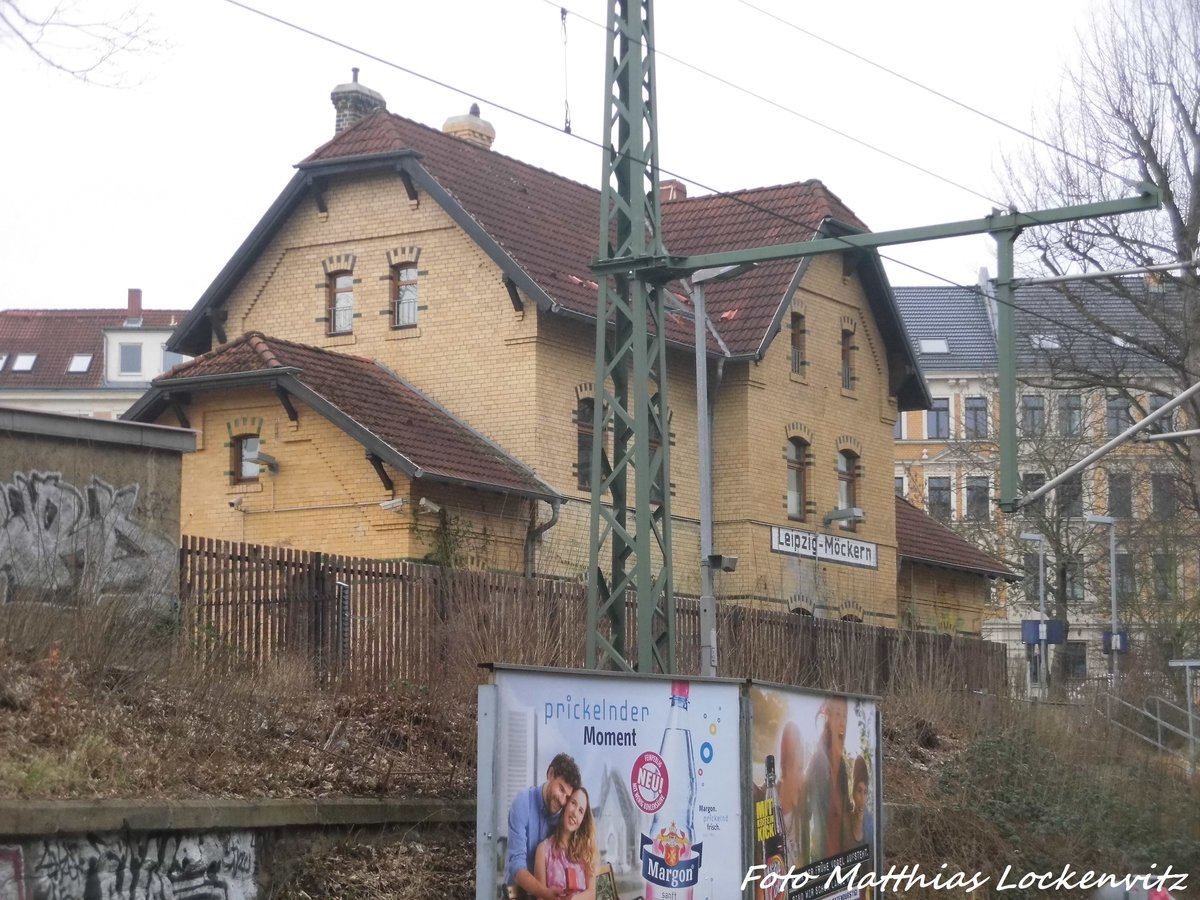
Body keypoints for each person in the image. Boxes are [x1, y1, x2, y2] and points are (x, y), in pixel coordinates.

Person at [506, 752, 583, 899]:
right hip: (518, 894)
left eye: (567, 796)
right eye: (561, 789)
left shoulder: (564, 816)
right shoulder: (522, 803)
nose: (562, 800)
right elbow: (516, 865)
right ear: (551, 774)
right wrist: (545, 893)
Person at [805, 697, 851, 861]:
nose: (842, 721)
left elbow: (845, 813)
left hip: (841, 861)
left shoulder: (843, 767)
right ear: (828, 717)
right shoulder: (818, 761)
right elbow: (807, 813)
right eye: (837, 714)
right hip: (820, 861)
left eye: (845, 716)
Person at [534, 786, 598, 900]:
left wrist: (573, 899)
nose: (574, 813)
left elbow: (592, 893)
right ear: (565, 804)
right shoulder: (543, 850)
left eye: (580, 811)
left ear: (583, 820)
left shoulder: (586, 850)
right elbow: (541, 897)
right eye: (573, 803)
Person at [850, 754, 873, 849]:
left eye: (865, 792)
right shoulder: (845, 822)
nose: (862, 799)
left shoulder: (872, 823)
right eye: (859, 791)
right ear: (853, 793)